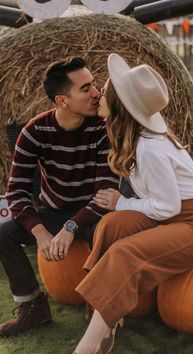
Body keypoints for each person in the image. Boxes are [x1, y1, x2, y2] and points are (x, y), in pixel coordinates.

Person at [72, 53, 193, 354]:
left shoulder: (150, 148)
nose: (100, 93)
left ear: (120, 107)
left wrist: (122, 202)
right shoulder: (136, 138)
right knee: (112, 225)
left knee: (125, 251)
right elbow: (159, 206)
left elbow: (168, 208)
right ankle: (107, 316)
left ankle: (86, 348)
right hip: (172, 215)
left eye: (107, 90)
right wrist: (121, 208)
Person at [0, 56, 119, 336]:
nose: (96, 93)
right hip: (53, 213)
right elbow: (16, 191)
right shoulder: (33, 132)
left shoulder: (104, 129)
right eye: (85, 88)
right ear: (62, 101)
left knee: (109, 231)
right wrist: (39, 231)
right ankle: (33, 307)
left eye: (94, 84)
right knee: (4, 234)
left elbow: (104, 193)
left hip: (93, 213)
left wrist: (72, 226)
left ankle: (99, 308)